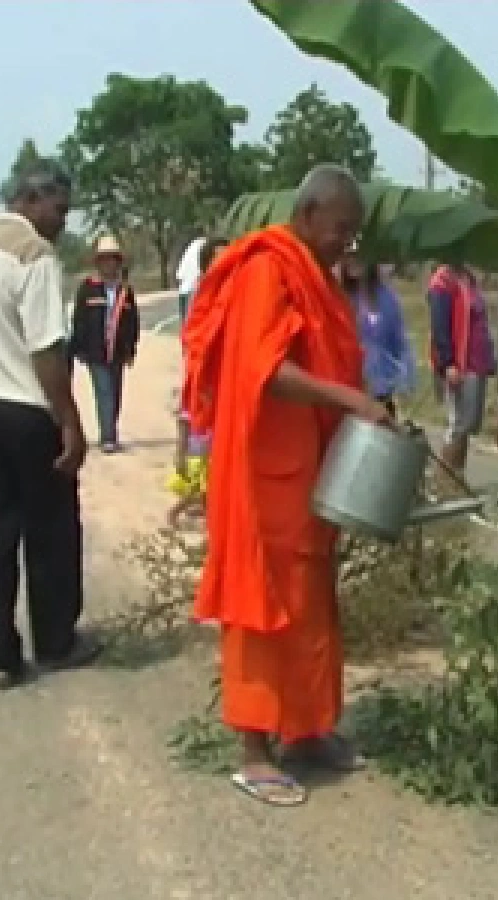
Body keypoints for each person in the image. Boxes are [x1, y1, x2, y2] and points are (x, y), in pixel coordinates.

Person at [183, 163, 390, 807]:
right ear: (307, 216)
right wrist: (349, 398)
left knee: (310, 605)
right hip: (260, 476)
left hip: (308, 473)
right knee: (259, 608)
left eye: (354, 234)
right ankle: (253, 750)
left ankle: (307, 730)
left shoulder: (315, 277)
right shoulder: (267, 270)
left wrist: (359, 407)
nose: (346, 245)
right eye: (340, 230)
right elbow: (263, 370)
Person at [0, 160, 101, 691]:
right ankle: (55, 640)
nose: (62, 221)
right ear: (31, 202)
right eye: (59, 209)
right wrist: (72, 424)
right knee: (51, 530)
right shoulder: (35, 256)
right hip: (26, 410)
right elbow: (47, 350)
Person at [69, 235, 140, 453]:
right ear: (98, 262)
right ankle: (108, 437)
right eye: (104, 259)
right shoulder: (88, 288)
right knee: (104, 392)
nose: (109, 264)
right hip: (95, 351)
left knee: (116, 392)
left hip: (118, 351)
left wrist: (131, 349)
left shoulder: (125, 292)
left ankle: (110, 429)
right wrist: (78, 347)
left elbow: (132, 322)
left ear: (118, 262)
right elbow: (79, 319)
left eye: (112, 259)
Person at [427, 261, 496, 476]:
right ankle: (443, 477)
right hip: (459, 363)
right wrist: (448, 363)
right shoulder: (443, 281)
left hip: (477, 361)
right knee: (459, 424)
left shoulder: (467, 277)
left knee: (469, 423)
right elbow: (440, 324)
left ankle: (457, 473)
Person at [173, 237, 228, 482]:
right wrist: (180, 446)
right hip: (204, 412)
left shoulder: (246, 304)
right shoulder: (200, 312)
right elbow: (192, 377)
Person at [339, 245, 414, 417]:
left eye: (359, 256)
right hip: (349, 392)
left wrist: (405, 378)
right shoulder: (338, 296)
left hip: (382, 391)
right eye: (349, 256)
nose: (354, 262)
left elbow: (399, 340)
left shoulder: (387, 297)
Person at [175, 235, 207, 327]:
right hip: (194, 292)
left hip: (184, 292)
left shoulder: (190, 251)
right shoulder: (201, 250)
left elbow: (179, 276)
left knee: (187, 324)